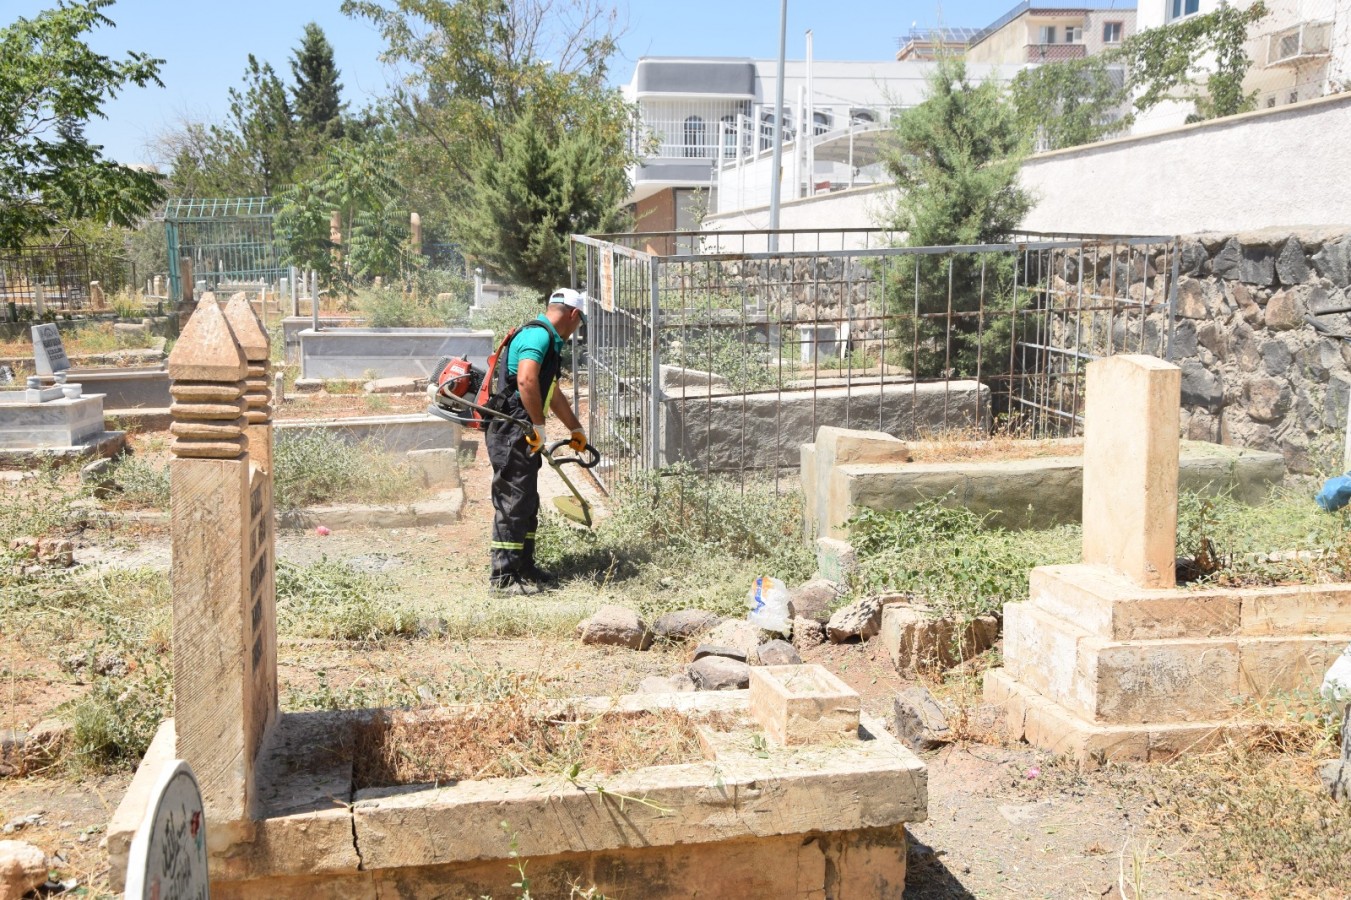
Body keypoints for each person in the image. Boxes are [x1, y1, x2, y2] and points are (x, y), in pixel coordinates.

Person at [485, 287, 588, 594]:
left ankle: (524, 567)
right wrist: (539, 427)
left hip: (521, 429)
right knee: (513, 501)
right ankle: (503, 579)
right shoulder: (538, 336)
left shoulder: (547, 339)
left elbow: (550, 391)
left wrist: (575, 429)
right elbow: (527, 380)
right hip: (512, 429)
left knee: (527, 501)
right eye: (579, 322)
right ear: (572, 314)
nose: (577, 330)